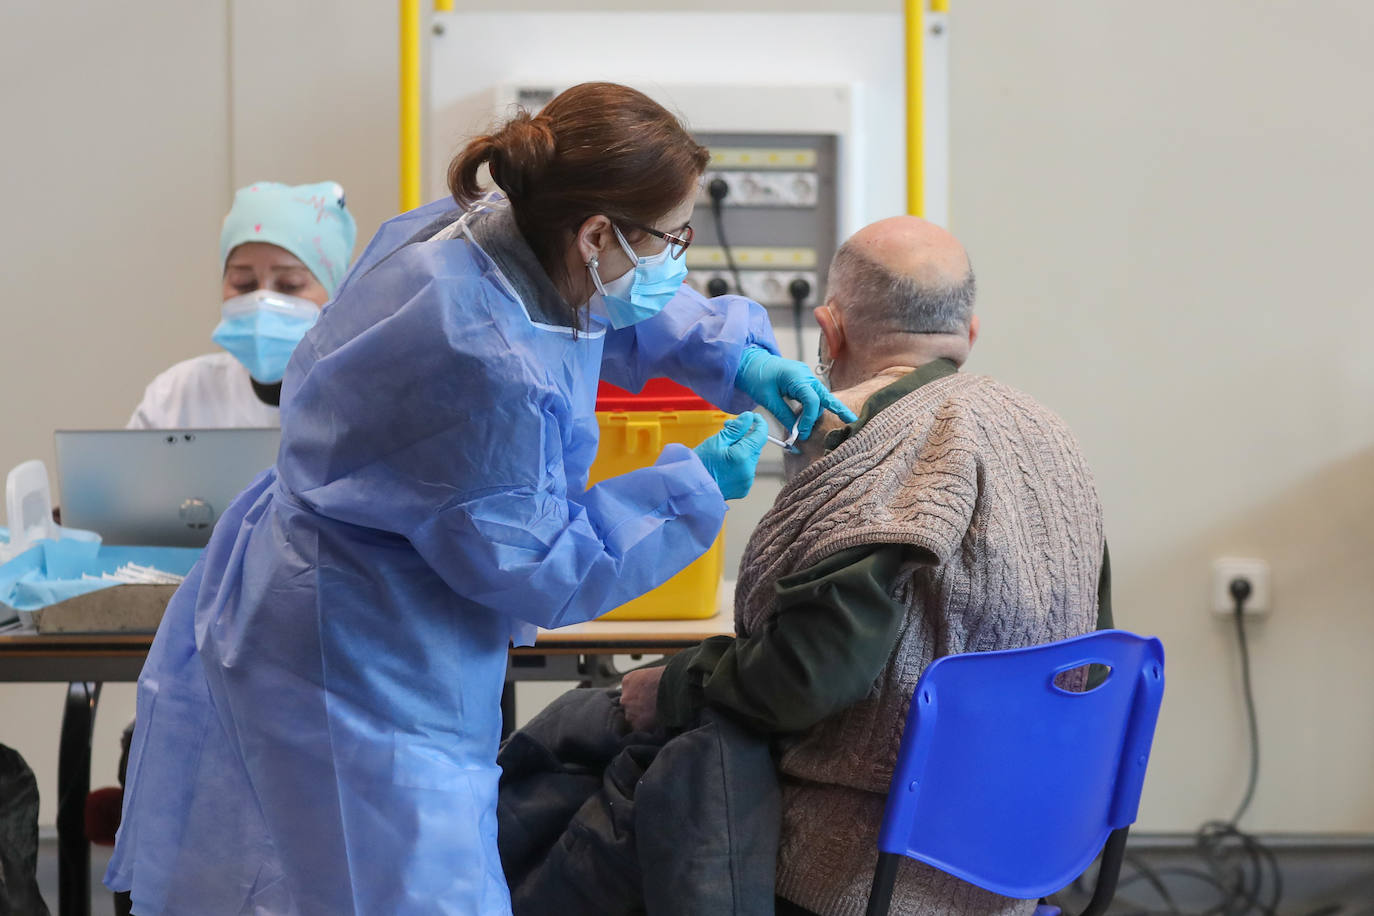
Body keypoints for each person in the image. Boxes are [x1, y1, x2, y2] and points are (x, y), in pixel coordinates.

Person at [105, 82, 852, 915]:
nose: (677, 258)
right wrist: (692, 488)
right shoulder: (482, 362)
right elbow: (541, 567)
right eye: (671, 238)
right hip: (355, 661)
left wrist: (732, 357)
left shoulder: (491, 230)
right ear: (598, 231)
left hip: (328, 603)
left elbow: (596, 301)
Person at [621, 216, 1112, 916]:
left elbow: (803, 681)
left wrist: (670, 685)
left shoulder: (880, 462)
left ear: (830, 333)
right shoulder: (1052, 441)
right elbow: (1087, 661)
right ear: (968, 335)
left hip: (870, 868)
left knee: (589, 762)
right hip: (1024, 855)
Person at [126, 180, 356, 429]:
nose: (261, 301)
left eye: (290, 285)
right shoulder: (176, 398)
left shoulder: (363, 398)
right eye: (243, 283)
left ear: (336, 292)